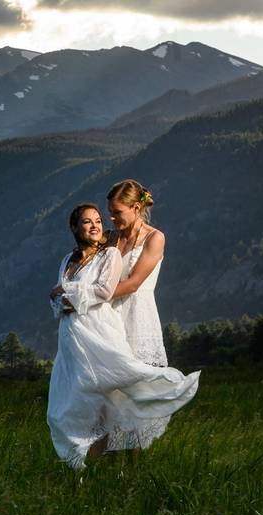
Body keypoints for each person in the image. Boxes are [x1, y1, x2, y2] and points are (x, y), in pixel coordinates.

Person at [46, 203, 199, 470]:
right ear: (74, 227)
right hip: (71, 340)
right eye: (86, 221)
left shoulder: (109, 255)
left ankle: (100, 467)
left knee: (107, 398)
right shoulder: (66, 261)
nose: (95, 225)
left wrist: (66, 297)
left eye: (97, 220)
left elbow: (104, 291)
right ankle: (85, 465)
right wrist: (61, 299)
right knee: (66, 408)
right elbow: (57, 302)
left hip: (98, 332)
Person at [106, 179, 170, 450]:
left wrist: (89, 298)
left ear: (135, 207)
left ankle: (136, 457)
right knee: (111, 392)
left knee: (138, 392)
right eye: (110, 211)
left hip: (139, 316)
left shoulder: (155, 238)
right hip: (111, 320)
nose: (112, 217)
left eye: (117, 212)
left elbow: (133, 283)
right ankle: (111, 456)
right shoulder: (112, 237)